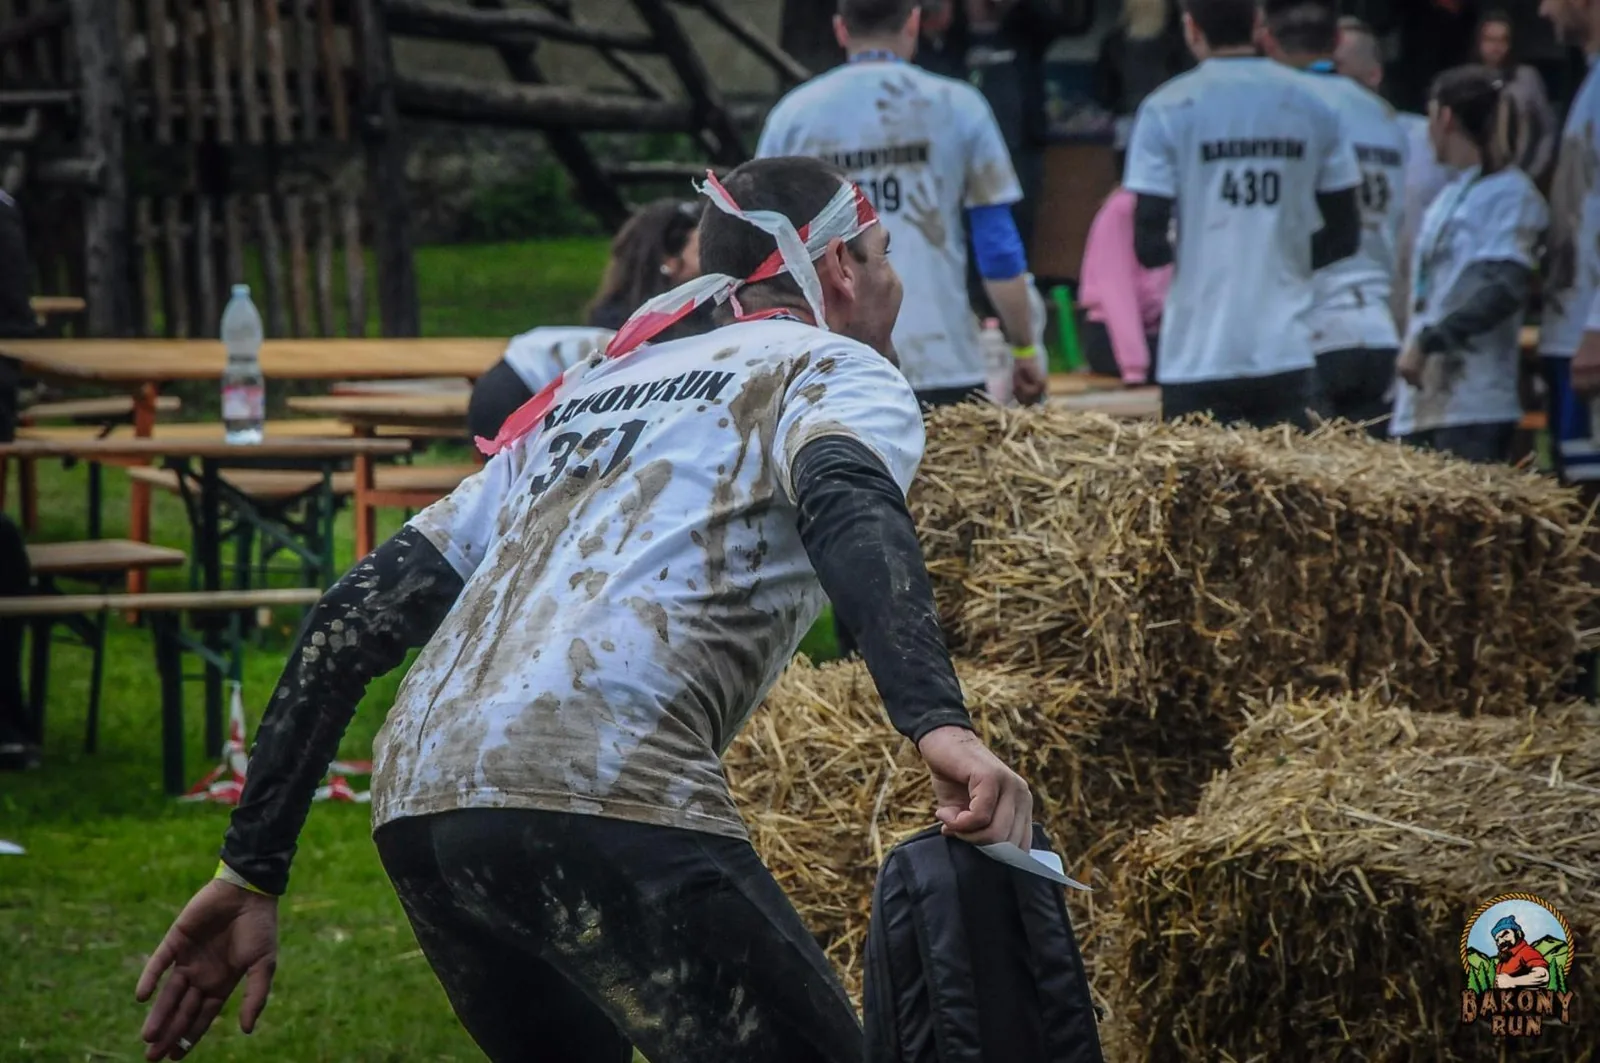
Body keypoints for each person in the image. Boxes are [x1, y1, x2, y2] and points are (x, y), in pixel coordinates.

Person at [133, 155, 1035, 1063]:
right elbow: (849, 508)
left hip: (422, 799)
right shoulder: (833, 369)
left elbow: (352, 612)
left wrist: (252, 864)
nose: (895, 280)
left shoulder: (584, 396)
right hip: (601, 776)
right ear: (840, 266)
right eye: (882, 254)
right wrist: (940, 726)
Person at [756, 0, 1046, 409]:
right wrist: (1024, 349)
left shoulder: (793, 115)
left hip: (830, 365)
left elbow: (763, 249)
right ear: (913, 21)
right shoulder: (959, 106)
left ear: (841, 29)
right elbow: (998, 249)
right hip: (942, 358)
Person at [1124, 0, 1362, 428]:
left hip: (1196, 356)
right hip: (1285, 349)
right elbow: (1345, 234)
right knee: (1289, 495)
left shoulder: (1166, 107)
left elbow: (1149, 244)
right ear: (1258, 25)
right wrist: (1283, 259)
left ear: (1191, 28)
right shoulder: (1315, 103)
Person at [1259, 0, 1407, 437]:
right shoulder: (1387, 119)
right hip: (1378, 329)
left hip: (1314, 326)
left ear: (1268, 40)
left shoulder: (1296, 108)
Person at [1391, 66, 1547, 464]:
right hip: (1423, 401)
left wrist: (1429, 342)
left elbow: (1501, 286)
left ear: (1444, 118)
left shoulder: (1510, 194)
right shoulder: (1453, 191)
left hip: (1473, 402)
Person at [466, 200, 704, 442]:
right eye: (700, 252)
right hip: (516, 395)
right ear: (669, 260)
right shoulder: (637, 323)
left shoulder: (622, 310)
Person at [1336, 17, 1461, 331]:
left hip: (1413, 319)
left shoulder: (1424, 141)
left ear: (1374, 75)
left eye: (1340, 72)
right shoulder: (1308, 144)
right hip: (1330, 323)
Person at [1077, 183, 1172, 385]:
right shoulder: (1121, 209)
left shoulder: (1184, 206)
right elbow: (1116, 292)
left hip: (1163, 331)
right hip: (1113, 337)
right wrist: (1134, 367)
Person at [1477, 10, 1558, 186]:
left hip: (1521, 176)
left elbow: (1548, 129)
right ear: (1480, 43)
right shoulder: (1468, 82)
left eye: (1502, 40)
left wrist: (1533, 173)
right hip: (1480, 180)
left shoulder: (1528, 78)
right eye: (1490, 40)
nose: (1496, 47)